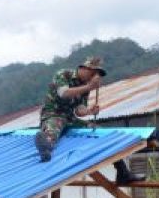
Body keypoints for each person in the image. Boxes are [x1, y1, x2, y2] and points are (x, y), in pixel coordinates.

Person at [34, 55, 145, 185]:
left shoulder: (86, 85)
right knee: (53, 129)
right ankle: (45, 148)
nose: (93, 77)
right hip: (53, 114)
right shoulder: (63, 74)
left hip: (70, 118)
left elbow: (79, 110)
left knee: (101, 132)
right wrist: (89, 87)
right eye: (92, 73)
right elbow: (63, 93)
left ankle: (122, 172)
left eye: (96, 75)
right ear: (84, 68)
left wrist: (89, 111)